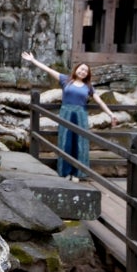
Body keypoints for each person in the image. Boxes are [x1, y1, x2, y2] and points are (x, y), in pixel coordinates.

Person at [21, 51, 117, 180]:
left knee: (80, 143)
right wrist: (33, 60)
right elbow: (48, 70)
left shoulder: (88, 86)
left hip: (80, 115)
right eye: (81, 69)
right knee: (66, 142)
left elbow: (99, 101)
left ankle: (77, 173)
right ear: (76, 69)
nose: (82, 72)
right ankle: (65, 172)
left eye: (85, 71)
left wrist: (111, 114)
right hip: (66, 113)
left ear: (87, 74)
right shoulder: (65, 80)